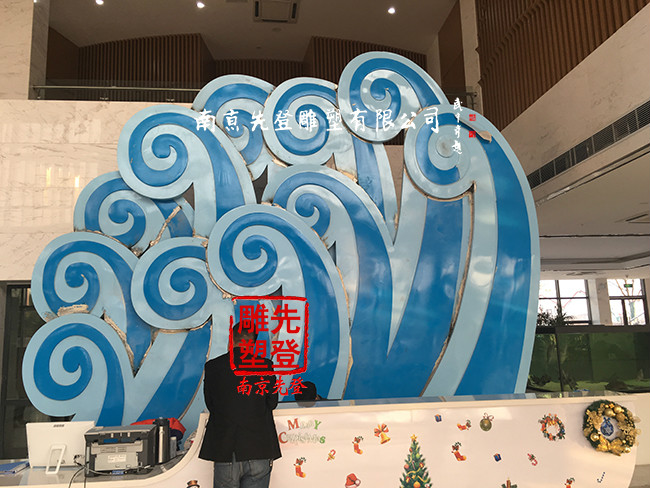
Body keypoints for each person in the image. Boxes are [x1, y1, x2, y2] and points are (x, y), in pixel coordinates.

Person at [199, 325, 281, 488]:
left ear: (231, 340)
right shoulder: (265, 366)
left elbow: (211, 404)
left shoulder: (213, 366)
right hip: (259, 448)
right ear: (253, 344)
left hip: (226, 449)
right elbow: (272, 403)